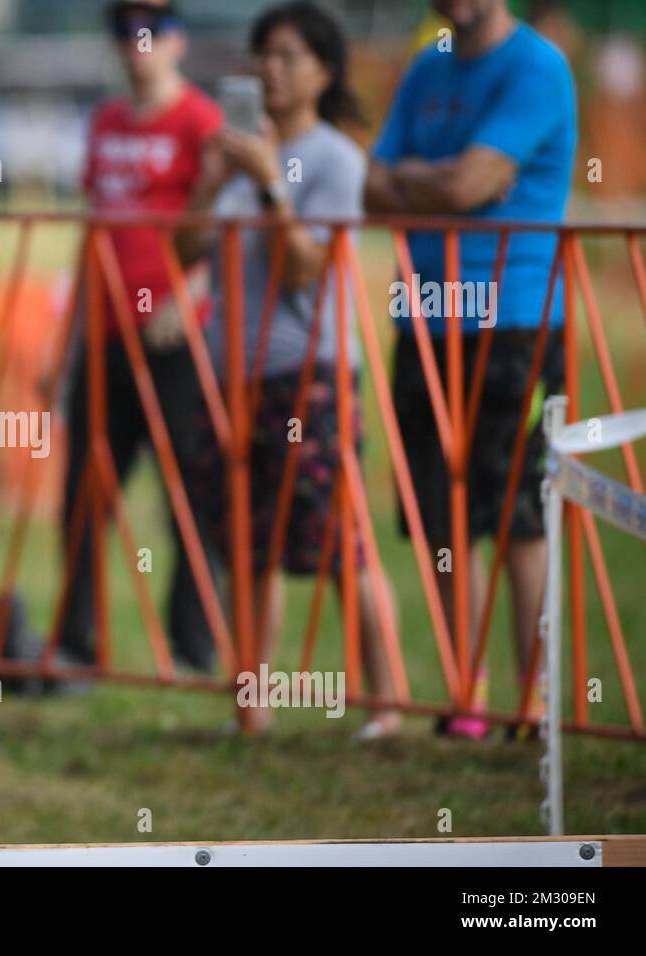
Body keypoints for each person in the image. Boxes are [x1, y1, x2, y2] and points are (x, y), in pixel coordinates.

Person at [176, 0, 400, 736]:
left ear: (324, 71)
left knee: (342, 540)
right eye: (262, 55)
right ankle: (254, 706)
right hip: (234, 376)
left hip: (311, 374)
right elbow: (185, 253)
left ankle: (389, 703)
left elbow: (306, 267)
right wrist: (215, 181)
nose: (270, 70)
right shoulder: (243, 151)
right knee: (251, 544)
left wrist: (273, 182)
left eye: (288, 57)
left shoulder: (336, 158)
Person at [364, 0, 576, 737]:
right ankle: (467, 700)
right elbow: (371, 188)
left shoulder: (538, 68)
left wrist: (421, 181)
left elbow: (463, 187)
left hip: (513, 318)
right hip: (422, 317)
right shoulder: (426, 68)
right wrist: (443, 179)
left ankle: (536, 700)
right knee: (441, 520)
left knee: (517, 514)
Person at [61, 0, 223, 673]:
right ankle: (74, 645)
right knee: (83, 494)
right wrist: (66, 342)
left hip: (175, 342)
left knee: (189, 495)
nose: (139, 43)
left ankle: (193, 648)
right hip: (103, 338)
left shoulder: (202, 121)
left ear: (179, 40)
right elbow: (92, 231)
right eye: (126, 31)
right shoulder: (105, 122)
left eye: (153, 30)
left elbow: (220, 227)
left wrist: (190, 296)